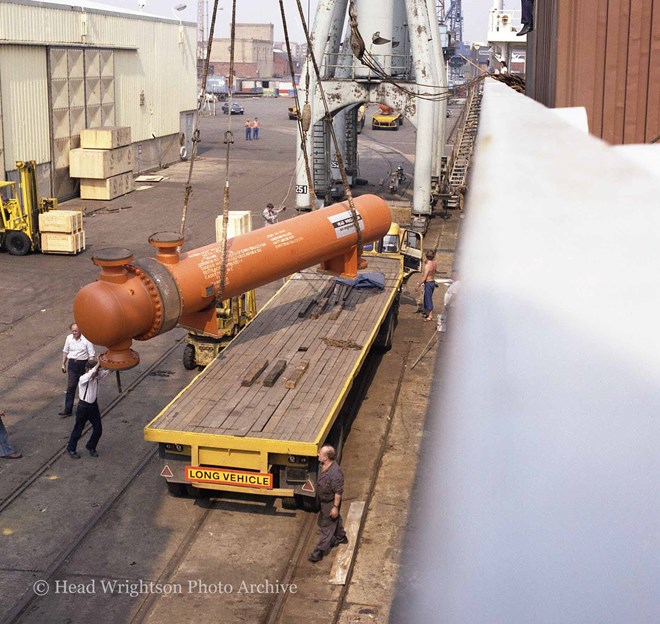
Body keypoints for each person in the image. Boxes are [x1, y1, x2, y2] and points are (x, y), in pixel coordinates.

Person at [308, 445, 348, 563]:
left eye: (320, 453)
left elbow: (338, 492)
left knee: (326, 526)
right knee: (334, 520)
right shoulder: (323, 466)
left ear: (325, 457)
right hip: (324, 501)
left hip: (330, 503)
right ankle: (341, 537)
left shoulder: (335, 474)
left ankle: (319, 551)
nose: (317, 455)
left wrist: (335, 507)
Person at [66, 359, 110, 459]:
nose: (97, 372)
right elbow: (91, 374)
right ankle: (71, 448)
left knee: (98, 429)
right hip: (83, 407)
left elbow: (108, 371)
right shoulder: (83, 378)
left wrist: (111, 362)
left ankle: (91, 446)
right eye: (96, 370)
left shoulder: (97, 376)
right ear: (88, 369)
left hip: (93, 406)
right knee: (78, 429)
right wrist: (98, 364)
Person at [60, 323, 95, 417]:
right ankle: (68, 409)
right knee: (71, 386)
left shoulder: (86, 340)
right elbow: (65, 351)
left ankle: (82, 409)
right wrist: (63, 363)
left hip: (83, 365)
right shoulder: (69, 338)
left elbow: (91, 355)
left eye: (76, 331)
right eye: (73, 331)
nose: (74, 332)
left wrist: (90, 369)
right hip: (72, 364)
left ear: (80, 331)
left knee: (83, 386)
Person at [417, 250, 437, 321]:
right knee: (427, 297)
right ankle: (427, 313)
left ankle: (430, 315)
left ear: (426, 256)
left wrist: (418, 285)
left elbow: (424, 278)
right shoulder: (434, 263)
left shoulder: (427, 266)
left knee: (428, 299)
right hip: (432, 282)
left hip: (428, 283)